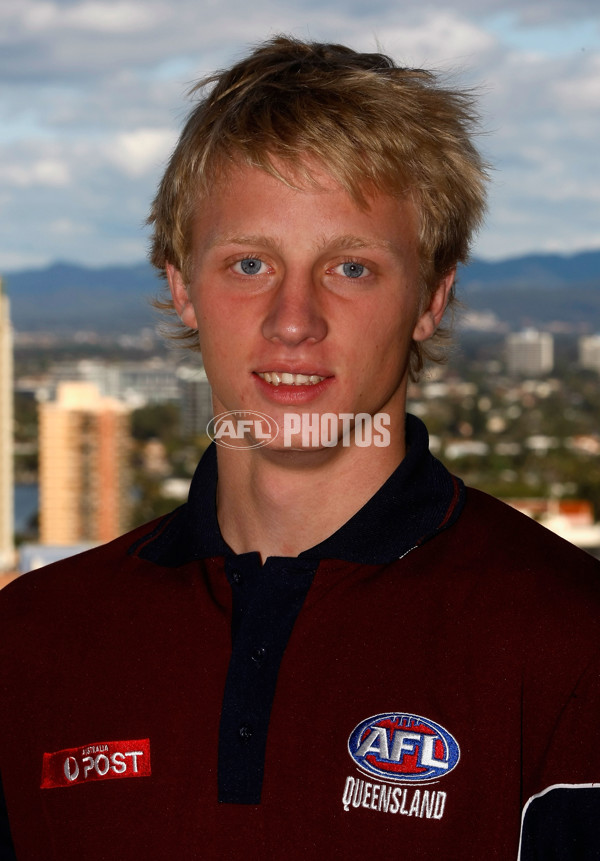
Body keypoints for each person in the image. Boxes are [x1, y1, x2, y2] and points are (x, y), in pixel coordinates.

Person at [1, 36, 599, 861]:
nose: (293, 321)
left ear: (431, 295)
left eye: (350, 268)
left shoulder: (569, 643)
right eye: (250, 263)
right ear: (180, 284)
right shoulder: (28, 643)